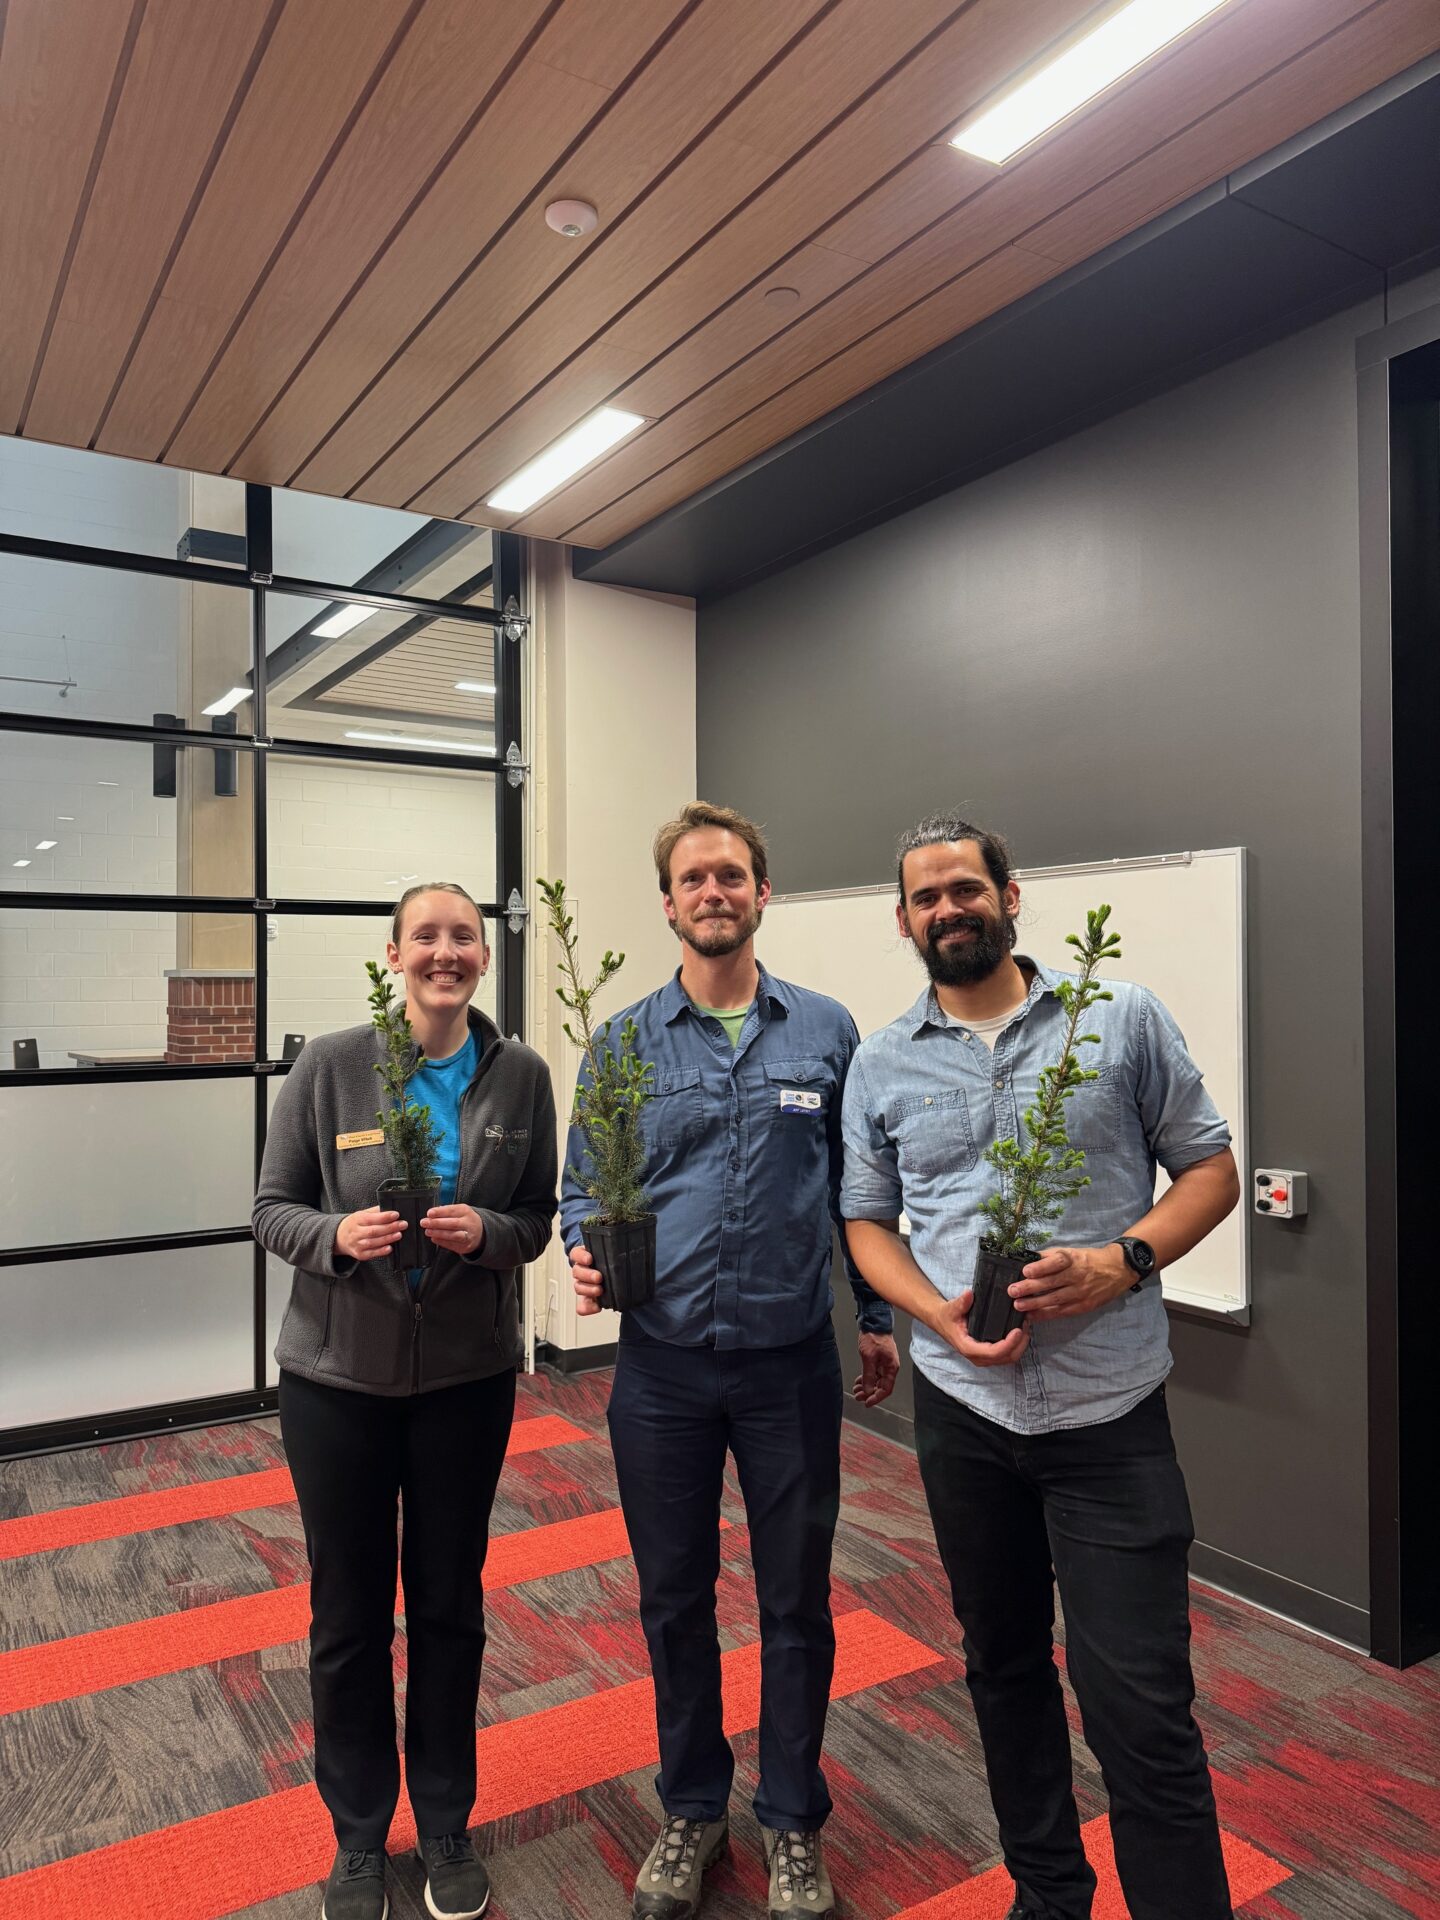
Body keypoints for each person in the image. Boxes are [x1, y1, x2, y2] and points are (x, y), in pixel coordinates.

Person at [840, 815, 1241, 1920]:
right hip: (964, 1418)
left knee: (1141, 1708)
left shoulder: (1119, 1018)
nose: (948, 909)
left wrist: (1125, 1260)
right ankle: (1048, 1895)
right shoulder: (882, 1059)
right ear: (905, 920)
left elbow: (1211, 1169)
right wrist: (933, 1313)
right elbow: (867, 1221)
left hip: (1110, 1421)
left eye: (966, 888)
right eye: (926, 897)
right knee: (1003, 1670)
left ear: (1011, 897)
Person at [563, 803, 900, 1920]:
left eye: (733, 876)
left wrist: (878, 1322)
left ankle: (794, 1819)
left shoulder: (828, 1033)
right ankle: (694, 1807)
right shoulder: (619, 1043)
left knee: (796, 1600)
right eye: (693, 878)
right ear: (668, 903)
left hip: (788, 1365)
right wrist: (579, 1246)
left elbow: (864, 1194)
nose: (714, 891)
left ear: (763, 895)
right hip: (659, 1369)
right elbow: (582, 1186)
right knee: (674, 1598)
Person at [254, 882, 558, 1920]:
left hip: (465, 1386)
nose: (445, 951)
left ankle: (442, 1822)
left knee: (447, 1607)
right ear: (393, 955)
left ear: (483, 955)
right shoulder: (331, 1067)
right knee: (346, 1617)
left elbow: (538, 1215)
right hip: (335, 1385)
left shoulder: (519, 1076)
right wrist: (333, 1239)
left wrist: (497, 1235)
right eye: (424, 936)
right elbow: (270, 1208)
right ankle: (356, 1836)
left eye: (461, 936)